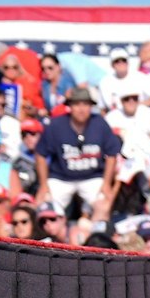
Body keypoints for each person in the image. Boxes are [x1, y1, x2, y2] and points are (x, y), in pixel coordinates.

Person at [35, 86, 122, 219]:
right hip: (61, 177)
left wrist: (106, 183)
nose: (81, 109)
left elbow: (112, 154)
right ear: (70, 106)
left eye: (85, 104)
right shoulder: (56, 125)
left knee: (104, 205)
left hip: (92, 176)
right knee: (43, 205)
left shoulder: (99, 123)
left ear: (91, 106)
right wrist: (43, 185)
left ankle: (93, 230)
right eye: (77, 104)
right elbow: (40, 154)